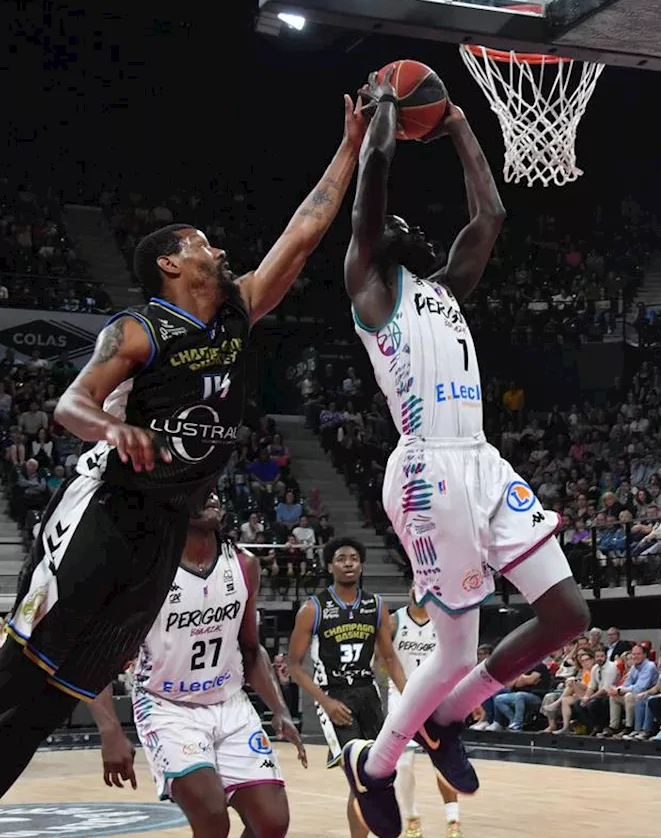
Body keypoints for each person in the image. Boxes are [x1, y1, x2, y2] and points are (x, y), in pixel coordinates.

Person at [0, 95, 368, 795]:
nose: (217, 249)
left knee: (54, 698)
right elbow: (70, 403)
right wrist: (116, 427)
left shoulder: (237, 311)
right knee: (20, 673)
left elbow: (305, 232)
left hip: (162, 535)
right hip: (105, 508)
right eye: (201, 243)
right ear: (171, 262)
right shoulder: (138, 328)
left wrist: (350, 144)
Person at [337, 74, 589, 836]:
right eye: (397, 222)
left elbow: (493, 212)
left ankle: (446, 721)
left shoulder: (444, 289)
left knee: (567, 612)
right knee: (451, 649)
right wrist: (386, 109)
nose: (410, 223)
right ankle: (374, 764)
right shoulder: (370, 287)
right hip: (425, 469)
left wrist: (454, 125)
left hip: (480, 460)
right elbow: (374, 181)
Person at [93, 493, 305, 837]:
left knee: (272, 823)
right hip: (167, 707)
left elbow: (250, 649)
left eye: (215, 487)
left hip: (231, 704)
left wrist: (278, 708)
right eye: (199, 486)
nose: (212, 494)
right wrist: (110, 730)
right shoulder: (146, 571)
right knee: (212, 818)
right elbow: (97, 657)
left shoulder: (244, 564)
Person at [287, 539, 405, 838]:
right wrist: (325, 702)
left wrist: (411, 698)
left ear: (361, 564)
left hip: (368, 694)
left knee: (379, 777)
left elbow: (389, 658)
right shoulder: (313, 609)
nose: (349, 563)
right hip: (335, 695)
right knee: (360, 777)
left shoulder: (376, 605)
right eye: (341, 559)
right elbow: (294, 666)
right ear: (330, 566)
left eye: (354, 558)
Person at [385, 597, 461, 838]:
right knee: (404, 765)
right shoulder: (393, 621)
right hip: (401, 698)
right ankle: (411, 817)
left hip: (435, 699)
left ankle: (453, 821)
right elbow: (385, 658)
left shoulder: (443, 623)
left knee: (444, 762)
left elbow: (454, 662)